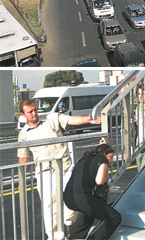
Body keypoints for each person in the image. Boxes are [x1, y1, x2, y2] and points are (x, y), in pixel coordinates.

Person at [17, 99, 102, 240]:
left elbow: (70, 119)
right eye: (30, 112)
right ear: (23, 115)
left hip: (65, 168)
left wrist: (87, 120)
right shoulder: (24, 134)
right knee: (50, 205)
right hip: (45, 173)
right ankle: (54, 236)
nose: (34, 113)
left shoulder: (50, 118)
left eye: (35, 110)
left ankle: (70, 227)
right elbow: (23, 158)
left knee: (72, 199)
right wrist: (21, 180)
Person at [64, 144, 121, 239]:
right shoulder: (103, 160)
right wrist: (105, 165)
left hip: (68, 198)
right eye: (110, 157)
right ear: (103, 153)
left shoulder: (84, 158)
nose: (112, 160)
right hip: (82, 199)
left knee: (89, 214)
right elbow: (99, 181)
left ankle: (74, 237)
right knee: (115, 218)